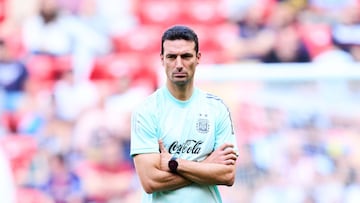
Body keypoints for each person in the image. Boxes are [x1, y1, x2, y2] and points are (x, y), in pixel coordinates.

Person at [130, 25, 239, 203]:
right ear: (162, 59)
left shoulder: (217, 108)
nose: (179, 64)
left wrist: (175, 164)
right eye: (172, 57)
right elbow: (150, 181)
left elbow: (227, 175)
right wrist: (207, 166)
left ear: (198, 58)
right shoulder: (146, 111)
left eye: (186, 56)